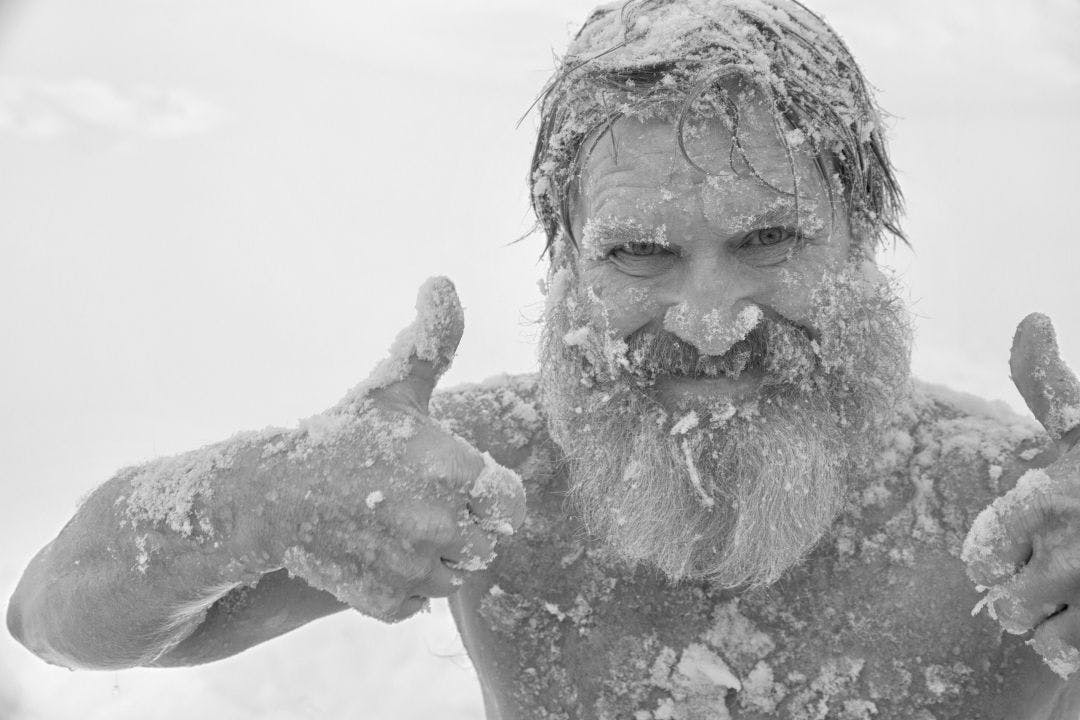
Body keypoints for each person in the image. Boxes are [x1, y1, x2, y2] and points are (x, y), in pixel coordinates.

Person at [8, 0, 1080, 717]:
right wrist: (261, 499)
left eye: (768, 240)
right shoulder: (490, 480)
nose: (711, 321)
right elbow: (56, 619)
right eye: (641, 254)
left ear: (865, 235)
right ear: (567, 266)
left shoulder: (1018, 519)